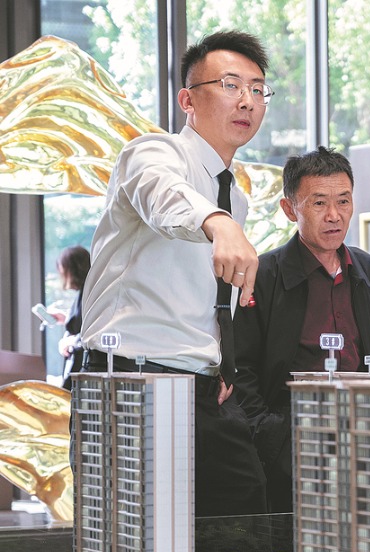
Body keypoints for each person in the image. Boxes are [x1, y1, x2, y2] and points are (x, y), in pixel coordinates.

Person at [80, 30, 271, 518]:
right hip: (129, 379)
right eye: (230, 85)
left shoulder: (236, 197)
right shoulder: (153, 153)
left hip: (204, 389)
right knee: (135, 539)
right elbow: (163, 196)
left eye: (257, 89)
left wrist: (223, 362)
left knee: (243, 518)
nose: (247, 101)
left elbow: (208, 298)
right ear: (188, 100)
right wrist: (218, 223)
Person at [233, 146, 370, 514]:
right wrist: (272, 436)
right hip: (289, 444)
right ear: (290, 209)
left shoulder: (368, 270)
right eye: (319, 203)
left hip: (360, 441)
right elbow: (242, 368)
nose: (334, 215)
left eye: (343, 201)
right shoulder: (265, 274)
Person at [55, 245, 90, 390]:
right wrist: (65, 319)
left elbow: (93, 331)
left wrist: (72, 341)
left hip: (81, 365)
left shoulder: (87, 294)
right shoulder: (86, 293)